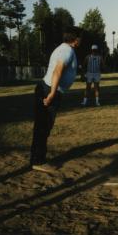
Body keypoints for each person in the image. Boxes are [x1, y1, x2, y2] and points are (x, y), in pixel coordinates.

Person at [30, 26, 82, 173]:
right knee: (43, 126)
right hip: (49, 90)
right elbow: (57, 71)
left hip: (45, 88)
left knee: (41, 126)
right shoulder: (67, 50)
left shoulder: (63, 48)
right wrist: (52, 94)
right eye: (80, 37)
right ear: (76, 38)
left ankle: (36, 158)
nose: (81, 40)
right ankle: (38, 161)